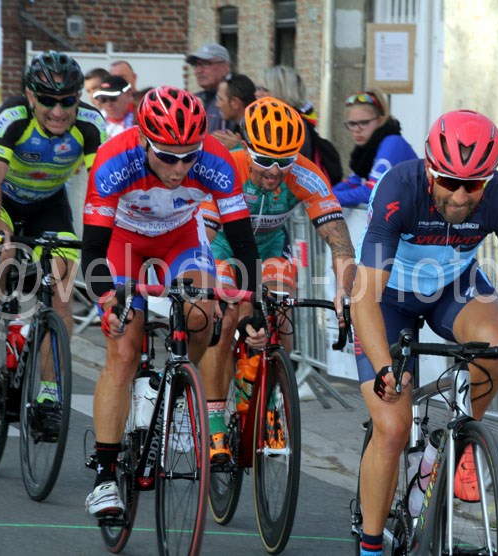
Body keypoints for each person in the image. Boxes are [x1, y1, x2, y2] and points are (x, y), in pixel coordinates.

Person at [351, 109, 498, 556]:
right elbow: (364, 298)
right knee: (391, 428)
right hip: (387, 297)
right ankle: (371, 546)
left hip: (451, 286)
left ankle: (458, 443)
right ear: (430, 169)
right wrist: (386, 367)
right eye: (449, 181)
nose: (461, 195)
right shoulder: (399, 189)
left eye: (474, 184)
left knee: (496, 341)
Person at [81, 86, 260, 518]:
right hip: (122, 243)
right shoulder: (113, 160)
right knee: (123, 350)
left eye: (189, 156)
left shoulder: (216, 160)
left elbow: (242, 242)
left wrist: (252, 305)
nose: (180, 168)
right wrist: (109, 298)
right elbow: (93, 252)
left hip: (180, 238)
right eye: (167, 156)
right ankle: (104, 477)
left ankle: (175, 390)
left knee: (203, 313)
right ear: (144, 139)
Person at [198, 97, 355, 462]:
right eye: (264, 160)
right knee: (226, 316)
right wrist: (205, 286)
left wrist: (344, 291)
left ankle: (270, 400)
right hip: (222, 248)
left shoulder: (304, 174)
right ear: (246, 146)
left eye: (284, 161)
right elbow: (203, 237)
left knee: (281, 311)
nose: (274, 171)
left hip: (270, 248)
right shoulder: (226, 167)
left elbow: (339, 240)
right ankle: (214, 419)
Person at [0, 51, 107, 411]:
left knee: (62, 290)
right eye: (48, 101)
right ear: (30, 97)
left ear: (78, 98)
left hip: (48, 204)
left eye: (67, 101)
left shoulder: (90, 124)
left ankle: (49, 394)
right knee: (1, 257)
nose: (58, 111)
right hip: (1, 198)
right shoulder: (13, 116)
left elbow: (104, 184)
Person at [256, 65, 343, 185]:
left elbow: (280, 169)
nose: (257, 94)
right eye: (257, 88)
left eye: (264, 90)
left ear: (281, 93)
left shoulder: (290, 125)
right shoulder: (278, 122)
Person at [332, 89, 418, 207]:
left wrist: (327, 200)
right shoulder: (367, 147)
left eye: (364, 122)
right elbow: (353, 183)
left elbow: (372, 192)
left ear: (380, 120)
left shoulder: (392, 142)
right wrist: (323, 196)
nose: (356, 129)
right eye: (352, 124)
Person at [185, 43, 238, 133]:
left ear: (225, 67)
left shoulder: (237, 101)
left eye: (206, 64)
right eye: (196, 65)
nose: (198, 70)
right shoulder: (192, 100)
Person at [213, 73, 256, 150]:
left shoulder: (260, 130)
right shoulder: (241, 127)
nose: (217, 104)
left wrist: (238, 148)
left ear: (235, 103)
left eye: (220, 99)